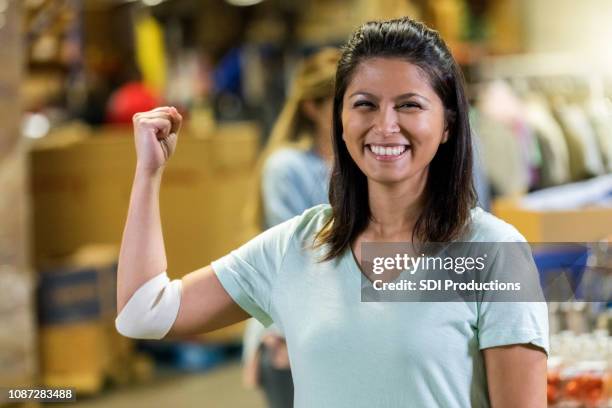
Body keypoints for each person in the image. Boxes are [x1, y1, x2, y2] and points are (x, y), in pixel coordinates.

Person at [116, 17, 548, 407]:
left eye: (409, 105)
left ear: (448, 124)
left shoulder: (496, 253)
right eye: (364, 104)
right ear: (339, 120)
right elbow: (143, 313)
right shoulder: (297, 246)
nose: (385, 125)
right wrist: (148, 173)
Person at [241, 48, 339, 408]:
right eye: (343, 102)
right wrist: (284, 331)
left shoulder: (366, 164)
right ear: (313, 108)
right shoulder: (288, 168)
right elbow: (294, 261)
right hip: (291, 333)